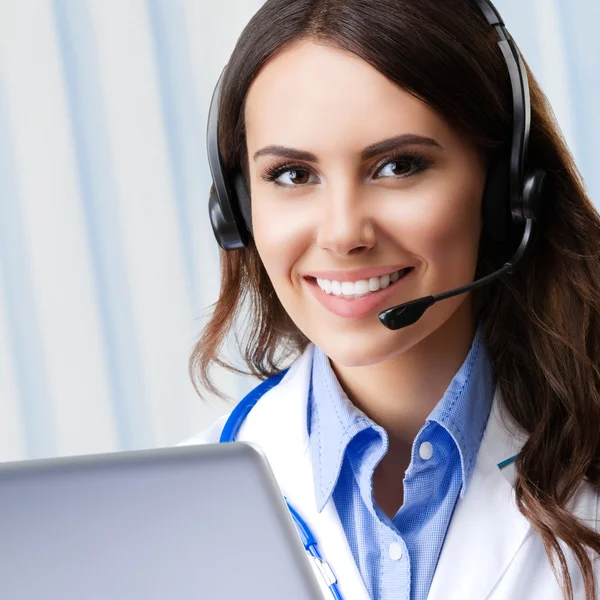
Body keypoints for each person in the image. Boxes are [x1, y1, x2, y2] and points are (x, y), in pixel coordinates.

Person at [182, 0, 600, 598]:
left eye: (398, 166)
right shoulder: (173, 512)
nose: (343, 233)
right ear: (238, 209)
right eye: (294, 176)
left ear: (506, 191)